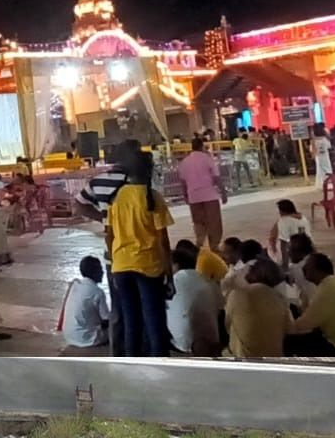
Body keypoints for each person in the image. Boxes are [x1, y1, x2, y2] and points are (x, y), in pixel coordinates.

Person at [108, 150, 174, 357]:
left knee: (131, 321)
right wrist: (169, 275)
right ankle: (161, 367)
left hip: (121, 266)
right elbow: (163, 241)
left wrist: (115, 258)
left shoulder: (116, 197)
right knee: (154, 321)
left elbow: (109, 235)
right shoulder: (153, 198)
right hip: (149, 266)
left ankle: (132, 366)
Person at [290, 253, 335, 356]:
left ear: (317, 270)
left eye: (307, 265)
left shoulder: (328, 289)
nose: (304, 268)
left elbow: (302, 325)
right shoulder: (333, 283)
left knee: (292, 340)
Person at [225, 258, 291, 358]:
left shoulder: (237, 294)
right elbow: (288, 329)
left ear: (252, 274)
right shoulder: (281, 300)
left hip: (244, 361)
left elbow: (227, 326)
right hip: (275, 360)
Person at [167, 240, 220, 356]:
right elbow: (221, 306)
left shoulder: (172, 282)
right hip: (212, 341)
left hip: (182, 344)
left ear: (176, 265)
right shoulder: (208, 280)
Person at [177, 137, 229, 248]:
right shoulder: (207, 159)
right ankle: (214, 246)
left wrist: (185, 195)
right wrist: (223, 192)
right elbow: (216, 177)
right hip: (209, 195)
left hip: (194, 197)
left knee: (198, 223)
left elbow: (183, 182)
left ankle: (200, 245)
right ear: (201, 146)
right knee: (214, 223)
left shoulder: (184, 162)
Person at [59, 255, 110, 349]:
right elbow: (106, 319)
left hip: (68, 336)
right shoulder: (97, 291)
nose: (103, 272)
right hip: (87, 339)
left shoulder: (75, 284)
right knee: (116, 327)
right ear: (95, 272)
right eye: (100, 269)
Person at [268, 199, 311, 270]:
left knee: (270, 247)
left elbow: (283, 244)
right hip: (305, 251)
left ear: (282, 211)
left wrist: (285, 264)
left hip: (291, 254)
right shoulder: (303, 218)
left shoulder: (283, 221)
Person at [312, 124, 333, 189]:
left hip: (318, 157)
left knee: (320, 171)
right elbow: (329, 146)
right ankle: (329, 184)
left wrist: (314, 155)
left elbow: (313, 149)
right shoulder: (325, 138)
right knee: (327, 169)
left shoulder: (314, 140)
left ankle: (321, 185)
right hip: (325, 156)